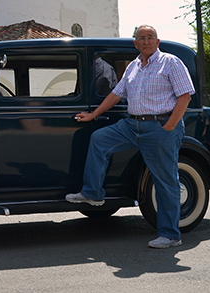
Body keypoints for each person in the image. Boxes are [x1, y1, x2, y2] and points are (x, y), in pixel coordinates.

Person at [66, 25, 195, 249]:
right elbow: (117, 94)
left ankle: (170, 235)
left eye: (150, 37)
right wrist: (93, 115)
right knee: (99, 139)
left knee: (165, 180)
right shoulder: (133, 66)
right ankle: (93, 194)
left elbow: (185, 95)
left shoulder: (171, 62)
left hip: (159, 127)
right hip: (131, 124)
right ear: (135, 44)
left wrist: (170, 125)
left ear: (157, 41)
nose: (145, 41)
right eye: (141, 38)